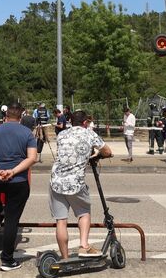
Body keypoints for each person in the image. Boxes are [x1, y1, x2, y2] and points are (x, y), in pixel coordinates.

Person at [49, 110, 113, 260]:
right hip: (75, 182)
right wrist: (102, 154)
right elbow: (106, 150)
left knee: (61, 220)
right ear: (85, 122)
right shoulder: (89, 134)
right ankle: (84, 246)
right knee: (84, 213)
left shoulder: (62, 134)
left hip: (56, 180)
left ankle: (64, 258)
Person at [0, 103, 37, 272]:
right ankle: (7, 260)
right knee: (12, 221)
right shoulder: (27, 133)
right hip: (18, 181)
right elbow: (32, 158)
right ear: (20, 116)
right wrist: (13, 171)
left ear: (5, 116)